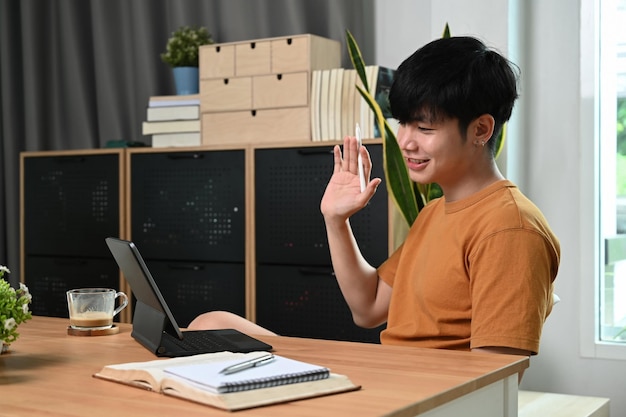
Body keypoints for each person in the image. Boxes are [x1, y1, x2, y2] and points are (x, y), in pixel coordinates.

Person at [189, 36, 560, 379]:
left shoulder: (510, 227)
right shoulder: (435, 212)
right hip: (381, 373)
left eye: (424, 129)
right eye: (403, 124)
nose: (405, 142)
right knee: (212, 323)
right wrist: (336, 220)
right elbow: (368, 308)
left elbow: (494, 382)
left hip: (406, 393)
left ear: (480, 129)